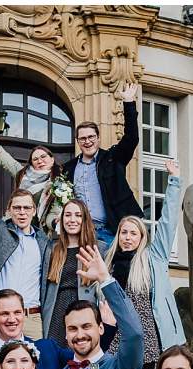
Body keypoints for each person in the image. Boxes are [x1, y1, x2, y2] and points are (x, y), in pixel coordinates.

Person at [104, 160, 186, 369]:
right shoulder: (108, 265)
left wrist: (173, 181)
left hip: (150, 345)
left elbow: (168, 221)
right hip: (117, 344)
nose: (128, 238)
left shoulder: (155, 258)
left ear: (142, 238)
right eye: (124, 233)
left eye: (133, 233)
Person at [0, 135, 52, 339]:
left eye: (26, 208)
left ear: (34, 211)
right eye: (17, 208)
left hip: (32, 318)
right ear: (9, 210)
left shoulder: (44, 242)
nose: (22, 212)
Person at [0, 289, 116, 369]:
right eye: (5, 313)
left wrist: (107, 329)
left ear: (24, 314)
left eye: (17, 312)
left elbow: (85, 356)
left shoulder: (46, 348)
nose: (12, 319)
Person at [64, 82, 144, 249]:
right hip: (81, 232)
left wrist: (128, 102)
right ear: (78, 142)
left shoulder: (112, 158)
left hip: (111, 231)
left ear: (98, 138)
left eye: (91, 137)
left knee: (112, 273)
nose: (88, 141)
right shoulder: (69, 168)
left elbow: (131, 139)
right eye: (83, 138)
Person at [40, 199, 104, 344]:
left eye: (78, 215)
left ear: (85, 219)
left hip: (84, 309)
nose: (72, 220)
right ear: (61, 220)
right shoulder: (53, 250)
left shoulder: (98, 249)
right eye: (68, 215)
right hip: (56, 312)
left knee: (82, 360)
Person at [0, 140, 64, 233]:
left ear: (52, 159)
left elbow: (51, 215)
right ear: (32, 163)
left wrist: (54, 223)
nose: (40, 161)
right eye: (35, 159)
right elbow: (6, 159)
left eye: (43, 157)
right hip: (12, 228)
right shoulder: (22, 175)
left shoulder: (59, 185)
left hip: (37, 233)